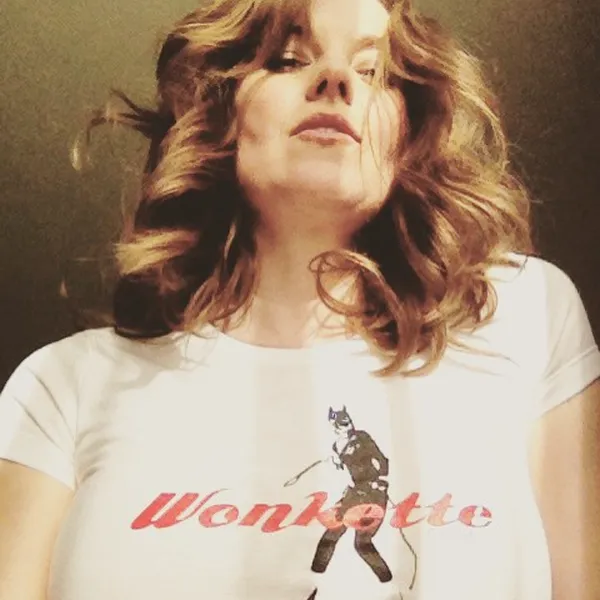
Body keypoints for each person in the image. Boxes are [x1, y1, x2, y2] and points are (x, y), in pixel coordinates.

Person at [0, 0, 598, 598]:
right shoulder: (66, 387)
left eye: (372, 71)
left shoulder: (523, 318)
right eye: (288, 60)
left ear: (407, 131)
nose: (335, 78)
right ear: (221, 108)